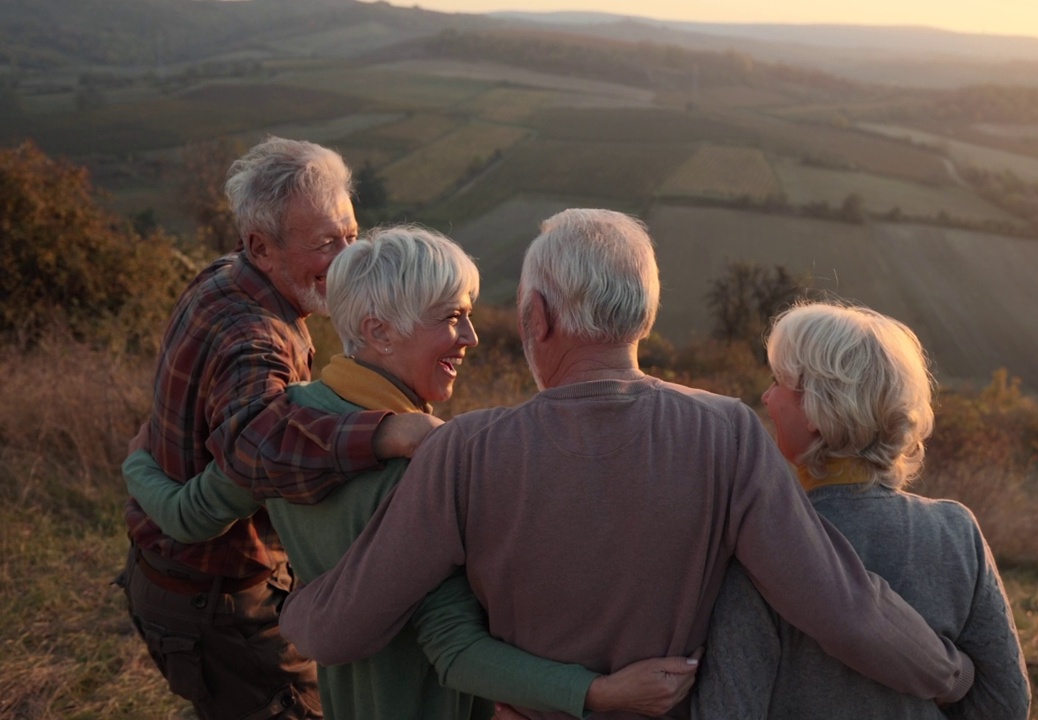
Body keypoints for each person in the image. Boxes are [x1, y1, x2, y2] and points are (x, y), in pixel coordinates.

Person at [277, 208, 976, 720]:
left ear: (538, 320)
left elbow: (340, 628)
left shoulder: (466, 451)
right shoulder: (727, 433)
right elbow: (841, 606)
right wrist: (950, 674)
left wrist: (293, 601)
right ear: (643, 316)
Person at [122, 226, 697, 720]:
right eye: (452, 318)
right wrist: (598, 693)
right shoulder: (419, 472)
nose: (470, 338)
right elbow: (453, 649)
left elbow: (188, 515)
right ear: (379, 331)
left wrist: (137, 461)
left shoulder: (285, 429)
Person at [119, 137, 434, 719]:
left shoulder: (225, 276)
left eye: (351, 233)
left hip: (173, 580)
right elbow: (257, 447)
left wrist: (137, 465)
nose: (347, 257)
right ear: (261, 246)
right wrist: (387, 433)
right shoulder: (256, 339)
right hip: (217, 603)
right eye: (325, 244)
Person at [694, 302, 1031, 720]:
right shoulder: (956, 531)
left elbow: (729, 709)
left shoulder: (763, 543)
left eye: (778, 381)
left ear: (818, 409)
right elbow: (1006, 705)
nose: (766, 397)